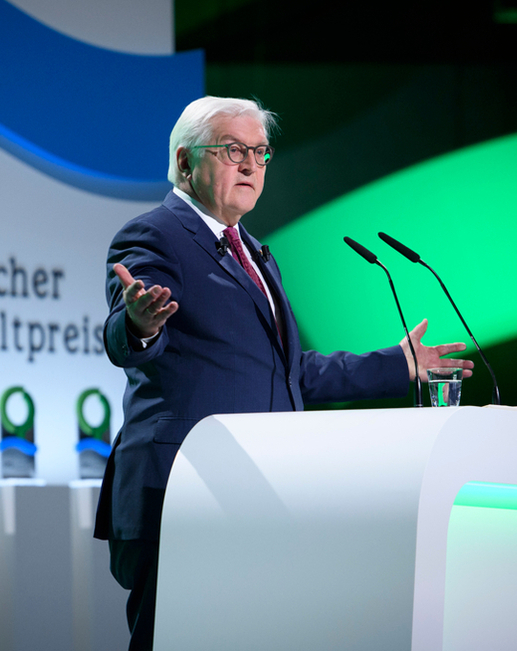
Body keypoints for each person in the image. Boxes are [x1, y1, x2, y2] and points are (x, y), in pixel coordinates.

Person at [93, 96, 473, 650]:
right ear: (183, 162)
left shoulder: (254, 253)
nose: (251, 164)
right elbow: (129, 335)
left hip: (259, 494)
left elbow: (293, 373)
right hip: (180, 493)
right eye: (232, 150)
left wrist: (401, 364)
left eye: (260, 152)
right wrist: (139, 323)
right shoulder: (153, 236)